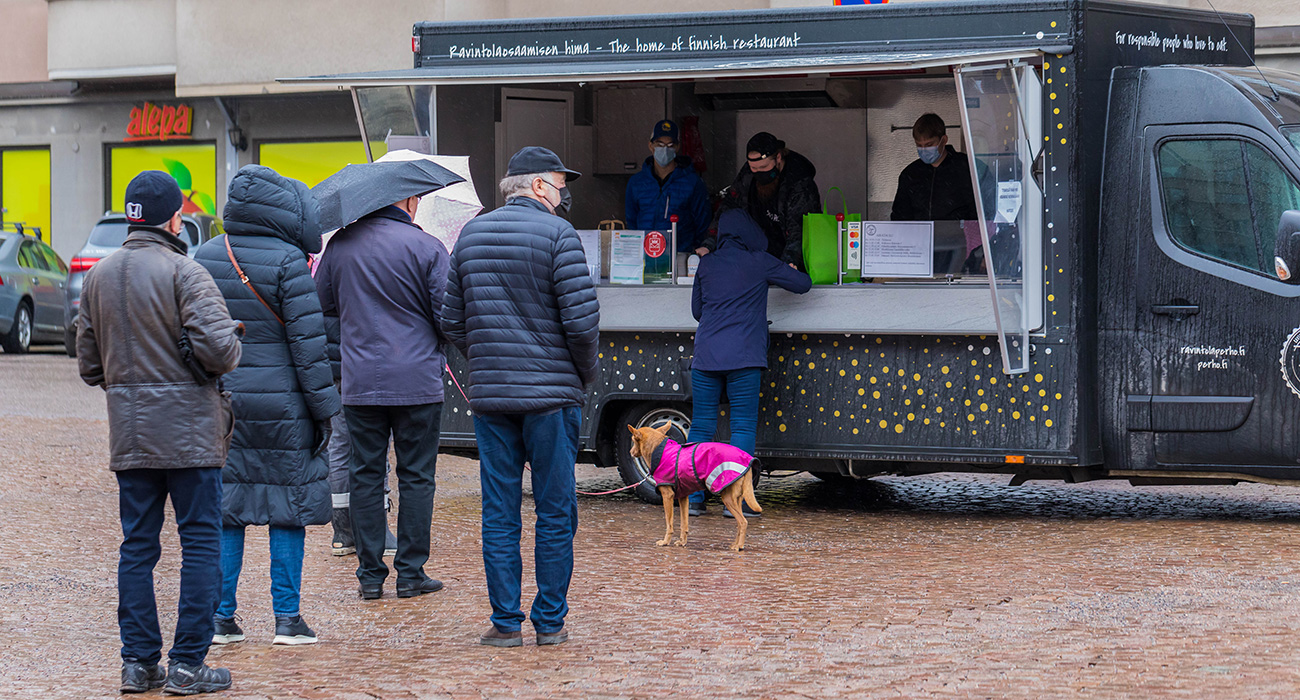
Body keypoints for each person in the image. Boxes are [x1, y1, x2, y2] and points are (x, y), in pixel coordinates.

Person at [77, 171, 242, 695]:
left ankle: (138, 662)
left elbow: (88, 365)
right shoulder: (186, 274)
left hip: (132, 436)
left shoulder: (99, 277)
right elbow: (221, 354)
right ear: (175, 218)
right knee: (199, 544)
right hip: (192, 435)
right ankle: (188, 664)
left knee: (138, 547)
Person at [442, 146, 600, 648]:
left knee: (500, 510)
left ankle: (505, 623)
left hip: (492, 399)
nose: (563, 195)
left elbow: (450, 320)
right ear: (535, 186)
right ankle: (549, 622)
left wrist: (487, 358)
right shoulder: (559, 235)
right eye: (559, 185)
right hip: (551, 398)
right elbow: (581, 323)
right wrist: (583, 374)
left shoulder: (471, 235)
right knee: (556, 510)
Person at [193, 165, 340, 647]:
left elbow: (191, 336)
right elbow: (309, 348)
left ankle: (220, 617)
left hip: (223, 405)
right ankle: (287, 619)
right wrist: (324, 412)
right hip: (285, 409)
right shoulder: (288, 263)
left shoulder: (206, 255)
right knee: (287, 508)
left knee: (228, 509)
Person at [314, 184, 450, 602]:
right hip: (417, 382)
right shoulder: (427, 246)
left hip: (359, 382)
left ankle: (370, 576)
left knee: (365, 475)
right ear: (407, 201)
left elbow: (323, 303)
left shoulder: (339, 246)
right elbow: (447, 313)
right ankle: (411, 573)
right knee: (417, 476)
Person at [686, 209, 811, 517]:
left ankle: (693, 499)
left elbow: (697, 311)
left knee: (701, 426)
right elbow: (802, 285)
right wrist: (788, 268)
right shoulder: (760, 261)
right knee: (741, 427)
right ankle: (736, 503)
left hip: (706, 357)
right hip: (744, 357)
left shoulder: (706, 263)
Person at [712, 131, 821, 269]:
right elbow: (728, 207)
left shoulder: (799, 182)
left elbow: (799, 229)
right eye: (754, 168)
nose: (759, 172)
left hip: (793, 260)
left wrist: (788, 263)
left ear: (778, 157)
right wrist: (708, 243)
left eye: (764, 167)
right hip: (759, 254)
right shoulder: (748, 174)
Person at [624, 119, 712, 256]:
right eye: (659, 144)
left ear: (677, 148)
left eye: (670, 145)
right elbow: (632, 222)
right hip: (644, 258)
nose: (665, 149)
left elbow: (703, 223)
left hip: (680, 257)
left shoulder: (693, 183)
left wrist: (693, 253)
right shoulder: (636, 183)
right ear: (650, 145)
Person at [889, 113, 981, 222]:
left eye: (929, 145)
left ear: (944, 140)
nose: (924, 150)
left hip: (959, 237)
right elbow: (900, 216)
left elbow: (982, 211)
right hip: (920, 237)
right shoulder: (910, 174)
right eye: (919, 145)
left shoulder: (968, 168)